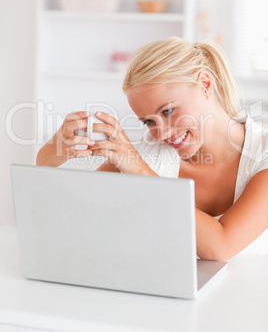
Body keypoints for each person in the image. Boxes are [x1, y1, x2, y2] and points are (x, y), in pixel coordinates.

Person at [36, 36, 268, 260]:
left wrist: (141, 172)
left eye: (167, 111)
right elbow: (75, 224)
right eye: (148, 122)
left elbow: (221, 247)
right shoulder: (147, 153)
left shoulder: (262, 155)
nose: (162, 134)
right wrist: (46, 160)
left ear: (205, 84)